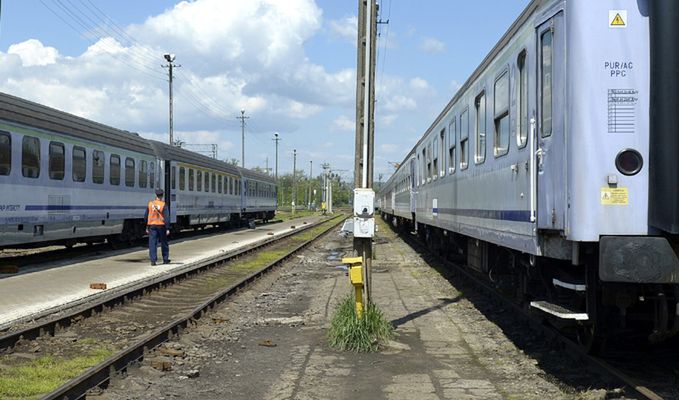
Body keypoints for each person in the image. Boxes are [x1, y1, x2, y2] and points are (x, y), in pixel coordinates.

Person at [145, 188, 170, 266]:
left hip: (152, 226)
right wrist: (168, 228)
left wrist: (146, 226)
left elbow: (146, 216)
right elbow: (167, 217)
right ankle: (165, 259)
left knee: (152, 243)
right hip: (161, 226)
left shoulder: (150, 204)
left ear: (156, 195)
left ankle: (153, 260)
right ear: (162, 195)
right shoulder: (163, 204)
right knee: (164, 243)